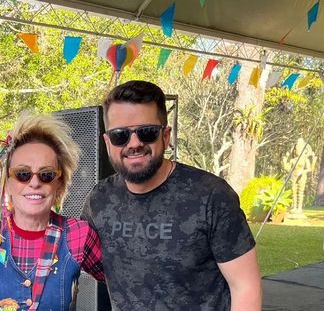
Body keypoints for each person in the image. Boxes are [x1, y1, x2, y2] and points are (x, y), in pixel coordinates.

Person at [82, 80, 262, 310]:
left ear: (165, 136)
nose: (134, 143)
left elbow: (245, 286)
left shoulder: (211, 196)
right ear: (108, 142)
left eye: (147, 133)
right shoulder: (99, 199)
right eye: (120, 136)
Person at [0, 113, 104, 311]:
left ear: (59, 185)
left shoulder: (79, 234)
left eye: (47, 175)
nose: (34, 182)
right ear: (7, 183)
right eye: (22, 174)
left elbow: (125, 283)